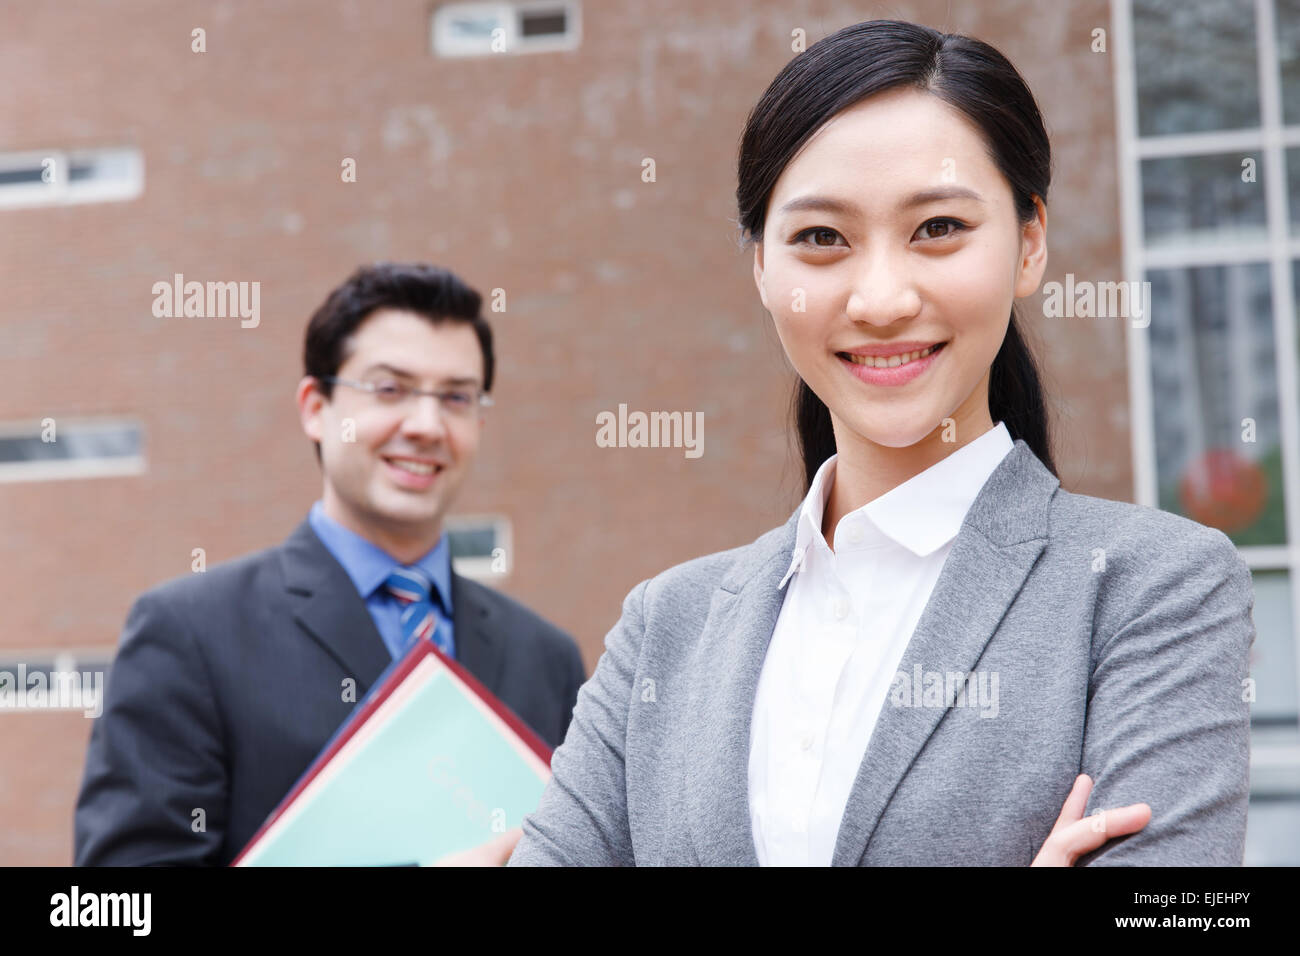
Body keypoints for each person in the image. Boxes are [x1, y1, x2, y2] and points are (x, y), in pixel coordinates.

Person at [507, 19, 1255, 866]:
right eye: (821, 238)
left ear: (1030, 242)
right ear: (762, 268)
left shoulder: (1151, 589)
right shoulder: (664, 627)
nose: (881, 297)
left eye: (938, 228)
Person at [75, 262, 586, 866]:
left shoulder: (548, 660)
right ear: (316, 406)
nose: (426, 425)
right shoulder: (189, 633)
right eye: (389, 389)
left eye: (456, 397)